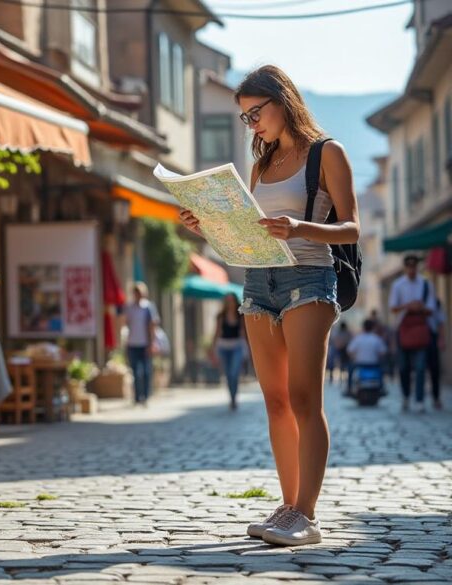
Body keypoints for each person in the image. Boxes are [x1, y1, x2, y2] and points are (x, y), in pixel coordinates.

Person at [180, 65, 360, 546]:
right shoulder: (258, 165)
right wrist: (210, 227)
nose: (252, 123)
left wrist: (299, 227)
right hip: (259, 282)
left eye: (256, 112)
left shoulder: (327, 152)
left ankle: (307, 513)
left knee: (304, 398)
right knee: (276, 401)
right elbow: (249, 235)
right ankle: (287, 507)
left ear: (284, 101)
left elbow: (352, 228)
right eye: (245, 117)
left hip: (309, 278)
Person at [388, 255, 438, 413]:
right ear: (405, 268)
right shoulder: (398, 285)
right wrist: (408, 306)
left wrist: (420, 307)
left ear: (417, 267)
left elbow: (432, 309)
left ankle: (420, 399)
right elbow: (393, 308)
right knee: (403, 367)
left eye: (414, 266)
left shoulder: (425, 284)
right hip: (403, 329)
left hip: (421, 330)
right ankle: (406, 396)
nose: (412, 269)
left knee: (421, 367)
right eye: (409, 266)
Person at [123, 281, 160, 407]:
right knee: (135, 372)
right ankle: (137, 397)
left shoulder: (148, 307)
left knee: (145, 371)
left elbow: (152, 325)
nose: (137, 295)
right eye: (135, 293)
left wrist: (152, 342)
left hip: (145, 343)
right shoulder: (130, 307)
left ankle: (146, 396)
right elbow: (127, 324)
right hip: (133, 343)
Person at [211, 292, 247, 411]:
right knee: (227, 375)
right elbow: (216, 333)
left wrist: (247, 347)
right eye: (228, 301)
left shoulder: (240, 315)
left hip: (236, 346)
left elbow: (243, 332)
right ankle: (232, 398)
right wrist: (212, 348)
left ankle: (234, 397)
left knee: (234, 373)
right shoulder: (221, 316)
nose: (230, 303)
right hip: (223, 347)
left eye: (231, 300)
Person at [346, 319, 387, 395]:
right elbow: (383, 352)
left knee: (350, 370)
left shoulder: (358, 339)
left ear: (363, 327)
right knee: (382, 370)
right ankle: (382, 387)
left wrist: (354, 357)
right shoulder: (376, 339)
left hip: (359, 364)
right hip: (373, 364)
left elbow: (349, 351)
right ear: (373, 327)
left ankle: (349, 388)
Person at [426, 299, 445, 409]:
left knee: (434, 368)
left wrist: (441, 339)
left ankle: (436, 396)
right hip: (414, 336)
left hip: (431, 337)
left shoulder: (435, 302)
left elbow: (441, 322)